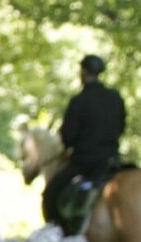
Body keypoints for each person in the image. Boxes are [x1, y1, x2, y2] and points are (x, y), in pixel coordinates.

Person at [43, 53, 126, 227]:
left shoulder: (79, 101)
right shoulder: (115, 98)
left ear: (83, 72)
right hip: (111, 160)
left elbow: (68, 136)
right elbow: (120, 127)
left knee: (51, 193)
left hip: (84, 162)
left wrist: (70, 147)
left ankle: (57, 231)